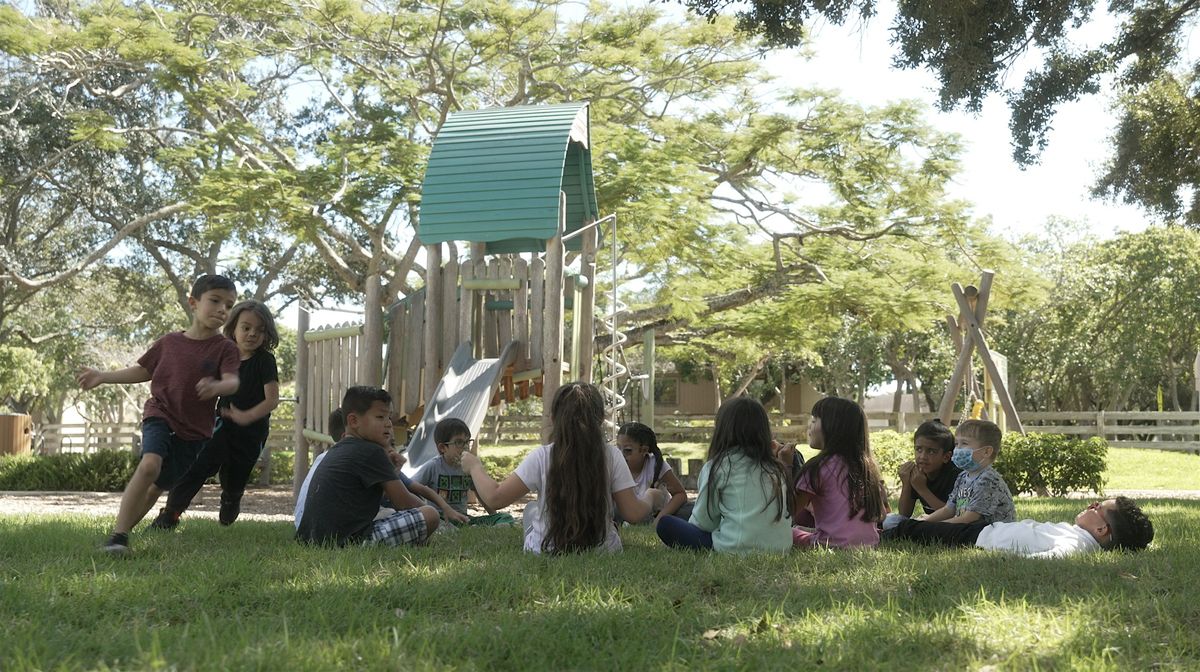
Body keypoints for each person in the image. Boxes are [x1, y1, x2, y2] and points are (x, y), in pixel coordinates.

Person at [78, 274, 242, 555]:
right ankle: (118, 538)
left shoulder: (226, 348)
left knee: (156, 488)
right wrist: (103, 376)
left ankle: (120, 536)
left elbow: (232, 381)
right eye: (215, 301)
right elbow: (144, 370)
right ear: (193, 302)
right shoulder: (169, 343)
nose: (222, 310)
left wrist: (217, 386)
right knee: (150, 465)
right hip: (161, 413)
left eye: (228, 305)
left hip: (195, 432)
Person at [458, 381, 659, 554]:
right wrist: (651, 496)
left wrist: (475, 467)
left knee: (531, 509)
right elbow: (633, 513)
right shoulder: (612, 455)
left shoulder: (542, 456)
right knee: (533, 508)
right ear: (600, 420)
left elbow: (495, 498)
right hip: (603, 551)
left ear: (554, 419)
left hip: (545, 549)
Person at [150, 300, 281, 529]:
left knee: (235, 476)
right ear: (233, 328)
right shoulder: (224, 355)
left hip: (252, 432)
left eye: (260, 330)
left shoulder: (265, 361)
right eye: (246, 327)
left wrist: (247, 416)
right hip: (221, 424)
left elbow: (272, 400)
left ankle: (231, 497)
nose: (252, 334)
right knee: (198, 465)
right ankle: (170, 514)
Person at [295, 387, 439, 547]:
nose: (388, 424)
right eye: (380, 417)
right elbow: (404, 502)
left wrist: (392, 472)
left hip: (313, 540)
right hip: (350, 542)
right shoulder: (371, 451)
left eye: (389, 417)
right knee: (430, 514)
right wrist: (437, 520)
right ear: (353, 421)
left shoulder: (339, 449)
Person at [655, 397, 792, 554]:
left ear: (722, 429)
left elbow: (704, 522)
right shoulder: (776, 468)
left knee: (666, 524)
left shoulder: (717, 467)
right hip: (781, 547)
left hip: (737, 548)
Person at [883, 497, 1154, 557]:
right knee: (928, 527)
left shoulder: (1079, 543)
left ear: (1102, 530)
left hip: (978, 539)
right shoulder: (1080, 535)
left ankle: (885, 530)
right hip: (985, 530)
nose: (1092, 504)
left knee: (918, 531)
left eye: (1097, 507)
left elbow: (1055, 558)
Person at [787, 397, 886, 549]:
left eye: (814, 420)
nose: (809, 426)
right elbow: (882, 514)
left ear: (832, 427)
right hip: (869, 544)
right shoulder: (867, 468)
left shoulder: (817, 467)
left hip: (832, 544)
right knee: (801, 529)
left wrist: (785, 464)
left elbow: (789, 510)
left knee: (789, 532)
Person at [890, 419, 1016, 528]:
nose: (958, 449)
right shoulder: (963, 477)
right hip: (965, 527)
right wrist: (924, 522)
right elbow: (949, 509)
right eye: (957, 444)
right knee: (899, 523)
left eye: (964, 444)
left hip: (987, 531)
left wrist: (932, 527)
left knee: (921, 530)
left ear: (986, 452)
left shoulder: (987, 479)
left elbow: (969, 518)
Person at [410, 418, 515, 526]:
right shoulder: (433, 466)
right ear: (443, 448)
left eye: (467, 442)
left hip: (463, 518)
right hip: (441, 518)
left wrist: (493, 516)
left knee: (505, 517)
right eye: (459, 442)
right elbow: (411, 487)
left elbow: (480, 494)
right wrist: (424, 509)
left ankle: (494, 527)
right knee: (439, 524)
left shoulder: (469, 467)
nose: (465, 447)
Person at [615, 422, 689, 523]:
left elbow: (680, 494)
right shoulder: (615, 466)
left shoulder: (655, 465)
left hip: (655, 513)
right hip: (628, 514)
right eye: (618, 448)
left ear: (644, 450)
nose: (621, 454)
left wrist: (659, 519)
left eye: (628, 450)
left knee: (688, 510)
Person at [897, 420, 961, 518]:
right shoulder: (917, 474)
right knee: (892, 521)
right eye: (919, 449)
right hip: (929, 521)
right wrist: (906, 483)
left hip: (950, 523)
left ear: (946, 457)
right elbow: (904, 514)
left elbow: (953, 515)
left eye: (931, 451)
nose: (922, 456)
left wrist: (922, 489)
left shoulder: (956, 476)